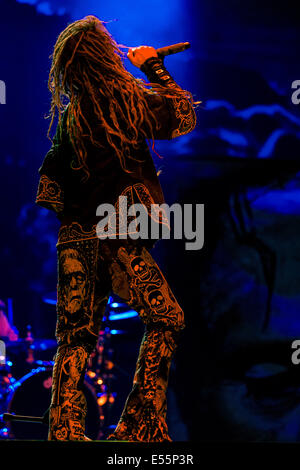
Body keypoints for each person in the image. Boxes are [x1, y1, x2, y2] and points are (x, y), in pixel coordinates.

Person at [36, 15, 197, 441]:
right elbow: (181, 117)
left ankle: (64, 431)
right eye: (108, 43)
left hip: (75, 238)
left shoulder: (71, 118)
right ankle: (141, 425)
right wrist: (153, 67)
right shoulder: (124, 98)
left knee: (75, 337)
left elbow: (51, 192)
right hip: (118, 232)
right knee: (167, 319)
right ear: (102, 55)